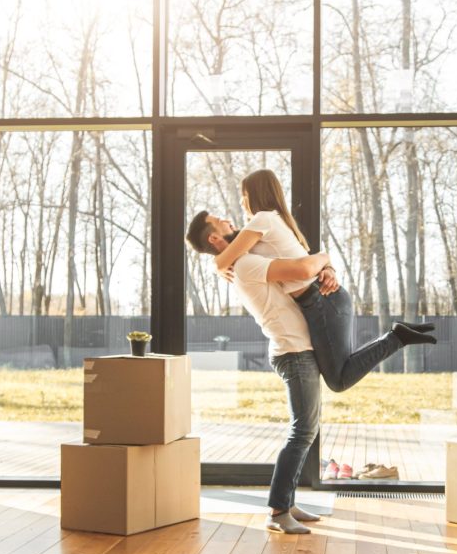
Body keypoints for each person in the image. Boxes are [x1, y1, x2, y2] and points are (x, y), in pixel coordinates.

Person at [186, 187, 436, 534]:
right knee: (302, 431)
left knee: (308, 426)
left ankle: (286, 502)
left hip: (298, 348)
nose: (230, 218)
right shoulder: (244, 263)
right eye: (220, 220)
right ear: (215, 237)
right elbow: (302, 266)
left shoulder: (244, 258)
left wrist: (327, 268)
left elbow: (298, 271)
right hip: (293, 351)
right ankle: (277, 512)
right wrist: (324, 258)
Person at [212, 169, 436, 392]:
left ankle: (397, 338)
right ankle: (398, 336)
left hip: (324, 301)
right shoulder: (271, 223)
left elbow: (224, 260)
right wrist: (329, 266)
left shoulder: (263, 219)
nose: (242, 201)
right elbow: (233, 254)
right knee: (339, 373)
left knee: (338, 381)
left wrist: (219, 267)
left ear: (256, 195)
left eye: (245, 195)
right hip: (321, 301)